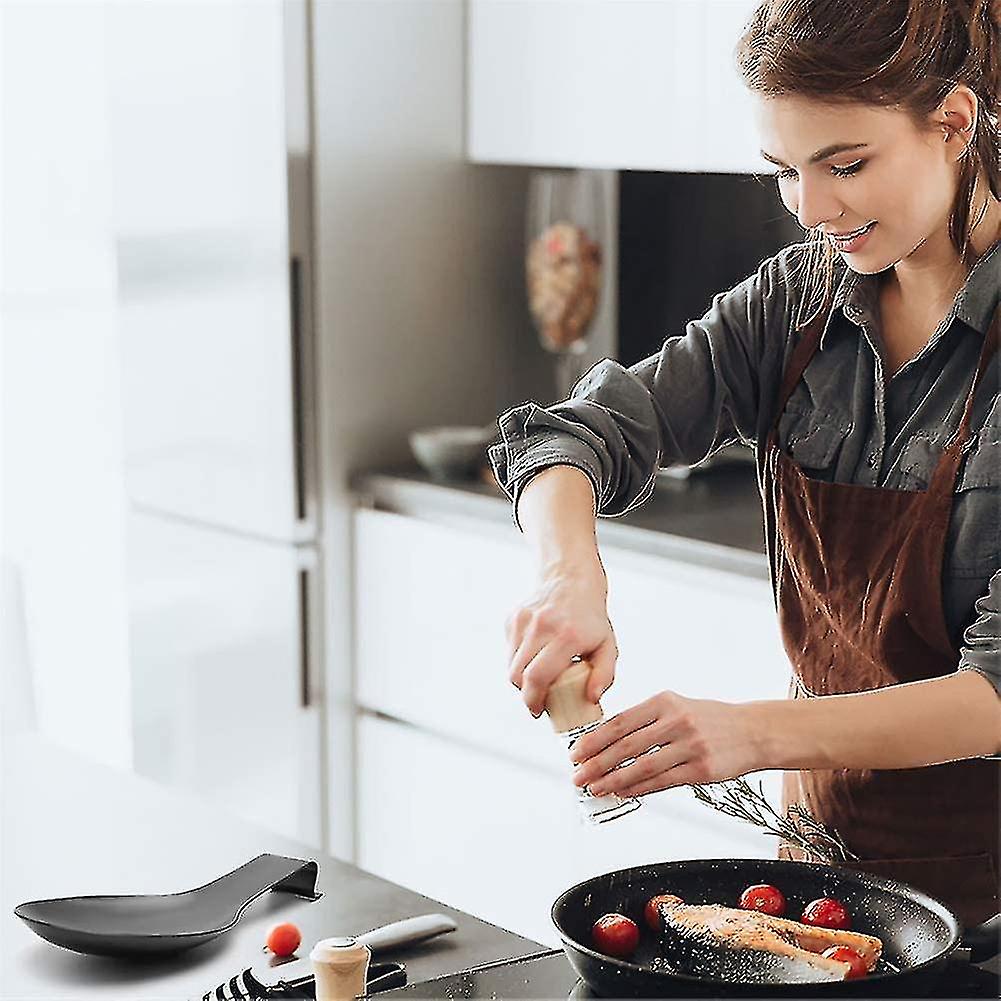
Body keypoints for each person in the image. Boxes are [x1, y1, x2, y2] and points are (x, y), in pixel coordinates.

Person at [489, 0, 1001, 926]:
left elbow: (994, 693)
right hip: (824, 870)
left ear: (953, 123)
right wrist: (568, 577)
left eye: (844, 164)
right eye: (784, 171)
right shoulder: (799, 300)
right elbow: (570, 433)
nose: (811, 208)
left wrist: (749, 731)